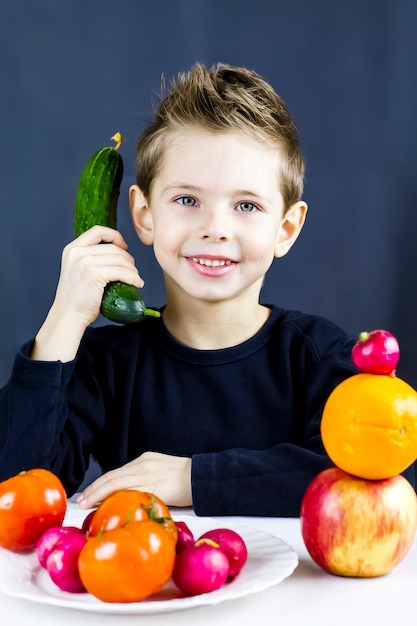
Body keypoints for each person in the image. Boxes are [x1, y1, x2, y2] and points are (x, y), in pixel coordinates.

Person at [0, 62, 373, 517]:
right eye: (187, 200)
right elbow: (17, 487)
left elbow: (354, 476)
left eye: (246, 205)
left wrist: (192, 478)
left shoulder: (320, 357)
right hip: (148, 581)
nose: (215, 228)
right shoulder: (106, 364)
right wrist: (64, 319)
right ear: (143, 215)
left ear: (286, 229)